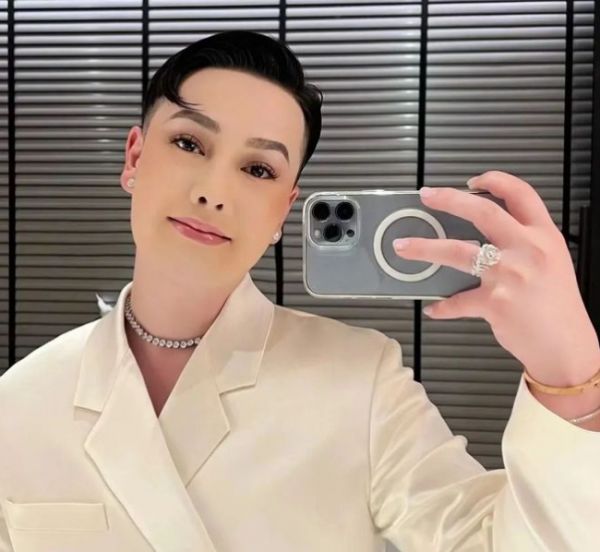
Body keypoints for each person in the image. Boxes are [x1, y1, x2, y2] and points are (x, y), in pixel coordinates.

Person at [0, 30, 598, 552]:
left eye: (258, 169)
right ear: (134, 157)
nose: (213, 192)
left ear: (284, 210)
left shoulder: (361, 382)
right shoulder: (20, 402)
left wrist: (569, 371)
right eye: (188, 144)